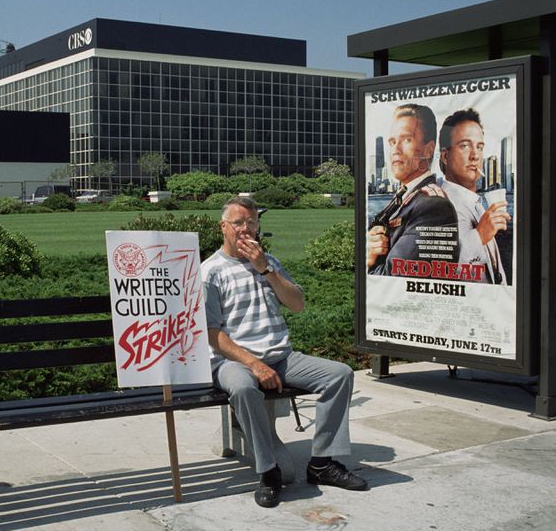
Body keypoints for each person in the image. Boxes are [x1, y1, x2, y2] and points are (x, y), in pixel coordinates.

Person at [201, 196, 367, 509]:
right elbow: (212, 334)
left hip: (281, 356)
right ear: (223, 227)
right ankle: (268, 471)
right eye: (238, 223)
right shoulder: (210, 272)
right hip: (233, 361)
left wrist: (265, 270)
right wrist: (254, 364)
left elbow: (297, 304)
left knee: (339, 374)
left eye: (251, 222)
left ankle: (322, 463)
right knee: (242, 387)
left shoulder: (269, 262)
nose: (245, 229)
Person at [368, 103, 459, 275]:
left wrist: (368, 262)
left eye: (407, 139)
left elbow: (392, 280)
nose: (396, 149)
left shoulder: (433, 207)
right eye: (392, 141)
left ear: (429, 149)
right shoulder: (403, 197)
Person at [439, 108, 510, 284]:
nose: (475, 155)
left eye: (479, 147)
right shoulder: (439, 206)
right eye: (464, 145)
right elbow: (441, 270)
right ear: (445, 156)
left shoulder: (474, 203)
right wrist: (479, 236)